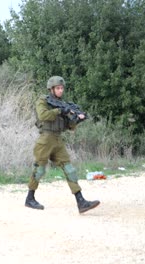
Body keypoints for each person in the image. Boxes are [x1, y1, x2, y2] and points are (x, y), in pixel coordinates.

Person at [25, 76, 100, 214]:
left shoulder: (64, 105)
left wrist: (76, 120)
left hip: (58, 139)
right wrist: (60, 111)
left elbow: (68, 126)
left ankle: (81, 202)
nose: (61, 90)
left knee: (69, 169)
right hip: (46, 139)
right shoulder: (44, 101)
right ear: (51, 89)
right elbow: (43, 115)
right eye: (58, 88)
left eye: (62, 88)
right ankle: (30, 198)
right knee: (40, 169)